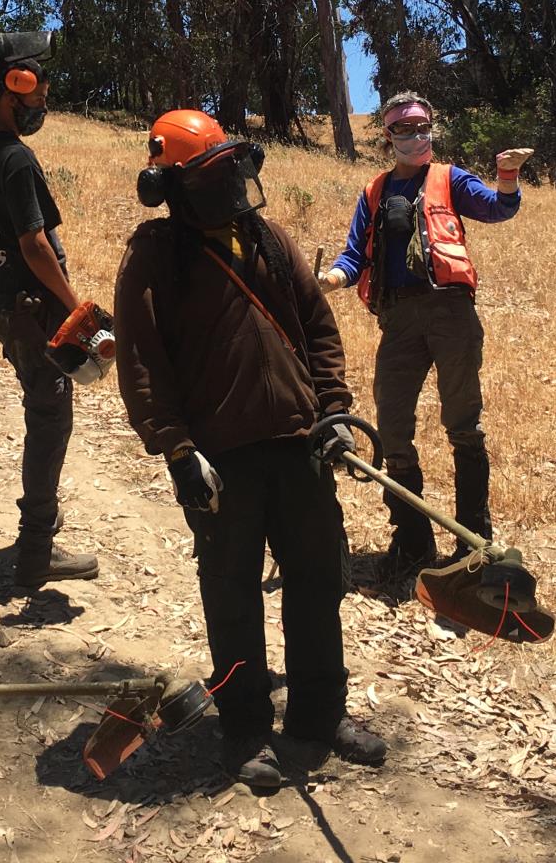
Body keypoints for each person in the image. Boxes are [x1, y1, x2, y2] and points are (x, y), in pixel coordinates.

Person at [114, 109, 387, 791]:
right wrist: (176, 450)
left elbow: (319, 329)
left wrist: (334, 412)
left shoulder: (267, 238)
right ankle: (242, 731)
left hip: (300, 448)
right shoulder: (155, 255)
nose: (234, 183)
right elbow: (142, 363)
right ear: (173, 186)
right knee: (232, 596)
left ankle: (320, 717)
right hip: (222, 460)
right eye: (215, 173)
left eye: (234, 167)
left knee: (318, 585)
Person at [319, 92, 533, 578]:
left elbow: (498, 209)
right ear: (389, 135)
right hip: (398, 321)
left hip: (450, 313)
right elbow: (354, 255)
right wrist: (330, 279)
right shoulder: (375, 191)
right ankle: (412, 542)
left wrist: (507, 176)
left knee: (463, 425)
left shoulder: (449, 178)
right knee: (393, 428)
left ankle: (473, 545)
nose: (416, 136)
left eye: (422, 127)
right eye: (405, 129)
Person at [0, 30, 100, 590]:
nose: (43, 100)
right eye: (39, 89)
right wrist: (75, 307)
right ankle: (37, 549)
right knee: (50, 415)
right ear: (17, 85)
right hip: (31, 310)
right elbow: (34, 245)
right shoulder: (14, 157)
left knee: (44, 407)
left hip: (4, 307)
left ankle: (43, 523)